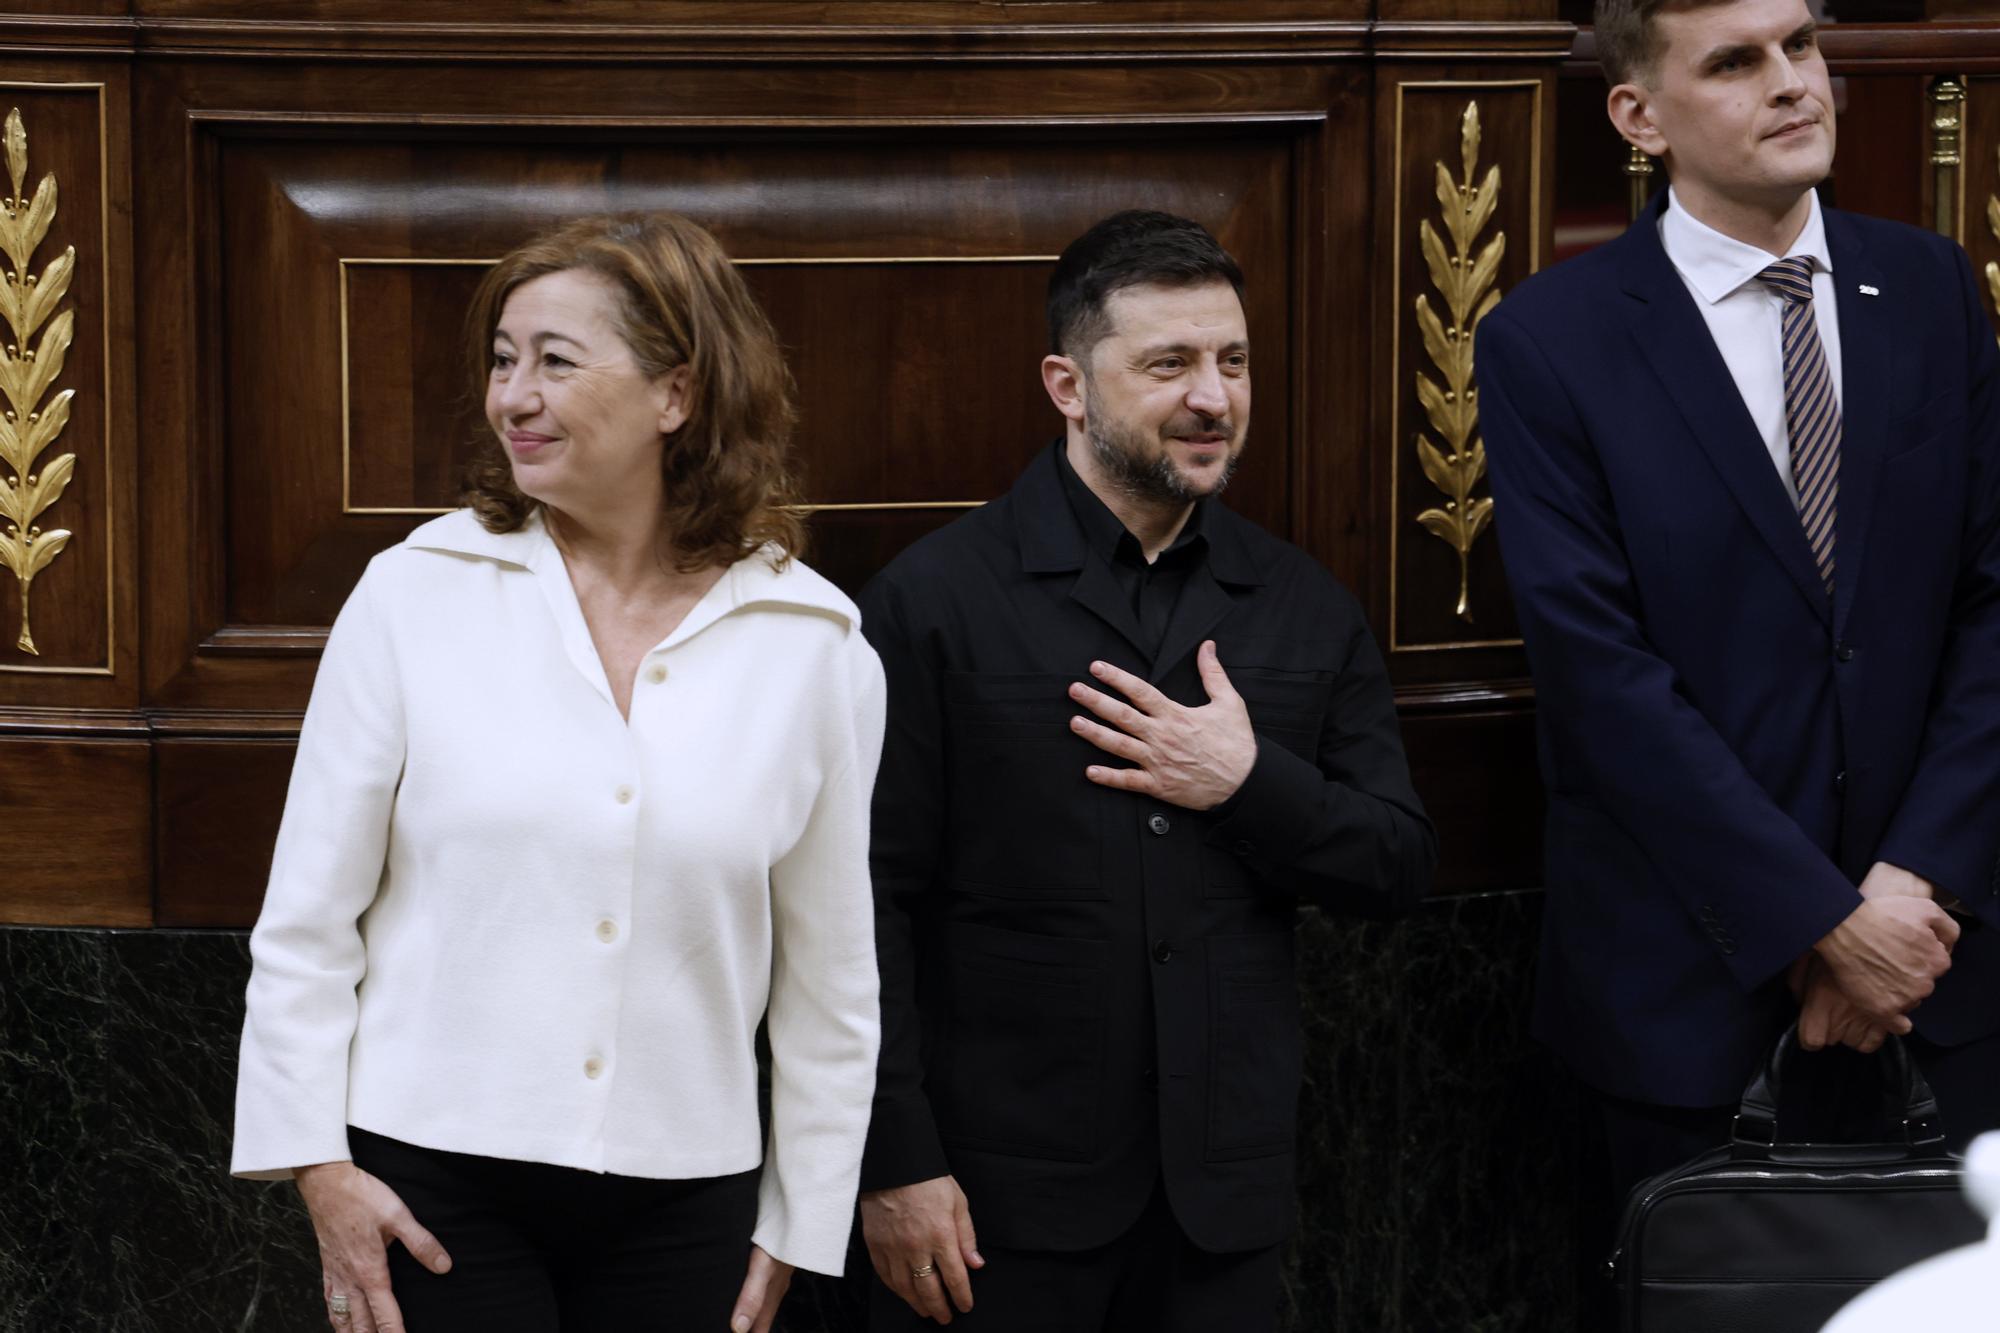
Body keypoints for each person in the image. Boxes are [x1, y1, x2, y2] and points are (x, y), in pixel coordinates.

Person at [231, 213, 885, 1333]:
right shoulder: (414, 592)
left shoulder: (812, 642)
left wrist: (801, 1218)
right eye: (502, 357)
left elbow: (830, 982)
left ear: (675, 394)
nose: (511, 396)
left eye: (554, 360)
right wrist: (317, 1170)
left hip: (690, 1202)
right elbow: (305, 921)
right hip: (432, 1188)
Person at [854, 210, 1437, 1331]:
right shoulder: (932, 603)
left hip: (1221, 1209)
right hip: (988, 1209)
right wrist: (893, 1164)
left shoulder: (1302, 604)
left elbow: (1397, 865)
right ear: (1066, 385)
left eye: (1230, 360)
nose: (1213, 397)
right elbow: (863, 907)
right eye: (1166, 364)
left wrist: (1245, 779)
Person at [1474, 0, 2000, 1236]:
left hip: (1942, 974)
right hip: (1691, 1008)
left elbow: (1990, 606)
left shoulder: (1926, 287)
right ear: (1635, 115)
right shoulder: (1549, 340)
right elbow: (1600, 679)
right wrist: (1817, 925)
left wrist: (1904, 899)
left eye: (1800, 45)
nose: (1790, 83)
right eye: (1734, 62)